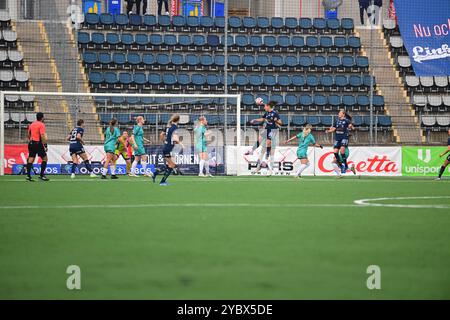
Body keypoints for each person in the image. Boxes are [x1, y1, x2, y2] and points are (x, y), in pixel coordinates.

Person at [250, 100, 282, 174]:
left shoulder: (275, 113)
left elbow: (281, 123)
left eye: (265, 106)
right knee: (260, 143)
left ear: (268, 106)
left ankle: (271, 169)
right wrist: (255, 120)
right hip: (267, 130)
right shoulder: (267, 112)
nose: (264, 107)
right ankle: (253, 152)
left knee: (270, 151)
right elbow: (263, 119)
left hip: (272, 131)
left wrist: (276, 121)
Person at [152, 114, 182, 186]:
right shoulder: (175, 127)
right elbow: (175, 139)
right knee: (172, 165)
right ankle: (162, 181)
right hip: (169, 148)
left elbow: (161, 134)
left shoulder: (168, 126)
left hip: (166, 147)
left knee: (170, 165)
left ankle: (156, 174)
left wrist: (164, 141)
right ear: (178, 120)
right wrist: (181, 144)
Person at [326, 109, 354, 174]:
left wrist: (351, 126)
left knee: (342, 150)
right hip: (337, 138)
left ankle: (346, 165)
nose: (338, 114)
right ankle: (341, 165)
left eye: (340, 113)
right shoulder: (337, 121)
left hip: (344, 137)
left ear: (343, 114)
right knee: (335, 152)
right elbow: (333, 129)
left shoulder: (347, 121)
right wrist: (329, 131)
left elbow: (352, 127)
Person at [25, 112, 49, 182]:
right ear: (42, 117)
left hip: (31, 143)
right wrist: (45, 145)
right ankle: (41, 175)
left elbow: (28, 134)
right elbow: (42, 135)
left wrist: (30, 140)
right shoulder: (41, 125)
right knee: (45, 158)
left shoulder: (32, 124)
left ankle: (28, 176)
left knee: (31, 159)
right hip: (37, 143)